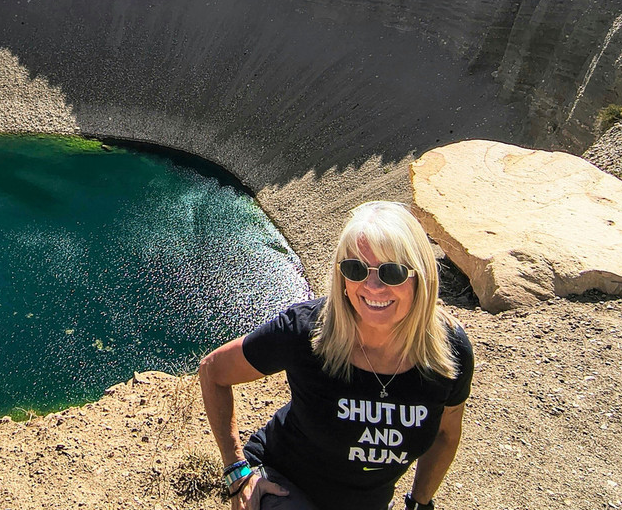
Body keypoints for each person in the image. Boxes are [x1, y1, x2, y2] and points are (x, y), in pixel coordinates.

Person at [199, 201, 473, 510]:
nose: (372, 287)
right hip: (283, 484)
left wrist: (419, 503)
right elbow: (213, 370)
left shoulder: (448, 350)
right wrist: (237, 471)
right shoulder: (308, 332)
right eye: (355, 269)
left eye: (392, 272)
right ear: (341, 278)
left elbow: (446, 434)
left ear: (421, 276)